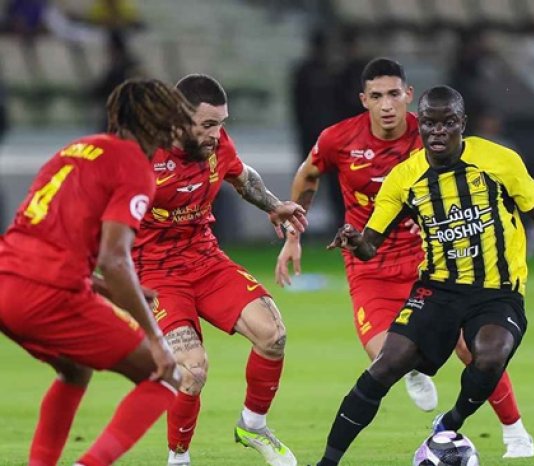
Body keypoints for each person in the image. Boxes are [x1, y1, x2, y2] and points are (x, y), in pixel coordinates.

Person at [313, 85, 534, 466]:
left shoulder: (499, 160)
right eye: (430, 123)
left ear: (463, 123)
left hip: (497, 290)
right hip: (438, 289)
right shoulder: (405, 178)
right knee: (387, 365)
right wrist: (354, 240)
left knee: (490, 355)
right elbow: (370, 245)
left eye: (448, 123)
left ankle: (451, 422)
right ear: (420, 127)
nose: (438, 131)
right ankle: (327, 462)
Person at [277, 58, 534, 458]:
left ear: (408, 96)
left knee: (474, 348)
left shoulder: (433, 131)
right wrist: (294, 236)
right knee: (385, 357)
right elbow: (308, 176)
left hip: (427, 260)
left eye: (394, 94)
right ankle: (415, 368)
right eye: (377, 96)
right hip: (370, 262)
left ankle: (514, 430)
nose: (386, 105)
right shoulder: (337, 139)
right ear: (364, 100)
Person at [0, 78, 192, 466]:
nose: (177, 127)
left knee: (75, 370)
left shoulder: (75, 149)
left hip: (6, 279)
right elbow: (115, 259)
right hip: (47, 296)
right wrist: (156, 337)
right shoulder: (134, 167)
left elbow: (50, 240)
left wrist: (107, 289)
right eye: (172, 117)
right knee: (166, 373)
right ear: (156, 120)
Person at [132, 74, 307, 466]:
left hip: (205, 259)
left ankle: (253, 426)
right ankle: (178, 457)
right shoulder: (143, 154)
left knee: (273, 335)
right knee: (193, 370)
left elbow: (242, 176)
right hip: (156, 274)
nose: (217, 133)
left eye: (221, 123)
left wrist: (274, 205)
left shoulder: (216, 144)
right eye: (208, 124)